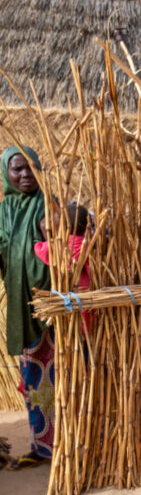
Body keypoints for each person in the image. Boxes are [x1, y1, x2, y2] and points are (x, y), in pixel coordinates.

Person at [0, 145, 54, 468]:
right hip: (21, 308)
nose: (23, 175)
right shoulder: (4, 211)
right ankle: (40, 446)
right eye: (16, 169)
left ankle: (61, 444)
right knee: (33, 378)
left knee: (56, 375)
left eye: (29, 167)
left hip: (49, 308)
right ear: (6, 174)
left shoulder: (49, 204)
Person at [34, 202, 93, 333]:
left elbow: (40, 250)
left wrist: (37, 242)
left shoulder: (59, 244)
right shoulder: (87, 245)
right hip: (84, 289)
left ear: (62, 226)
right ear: (86, 227)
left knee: (67, 322)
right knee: (85, 318)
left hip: (64, 288)